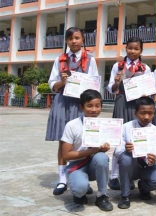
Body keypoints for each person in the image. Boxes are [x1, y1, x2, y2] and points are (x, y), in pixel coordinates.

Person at [46, 27, 99, 196]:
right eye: (70, 38)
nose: (74, 41)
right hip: (63, 102)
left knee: (86, 140)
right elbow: (52, 84)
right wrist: (62, 82)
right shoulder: (60, 60)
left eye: (77, 38)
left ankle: (80, 175)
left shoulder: (90, 59)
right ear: (66, 41)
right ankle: (62, 179)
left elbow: (94, 83)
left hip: (82, 104)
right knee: (64, 141)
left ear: (83, 40)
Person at [107, 37, 152, 191]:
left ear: (141, 50)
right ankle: (114, 176)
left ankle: (130, 175)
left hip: (137, 105)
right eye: (130, 48)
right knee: (118, 138)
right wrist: (116, 82)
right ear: (125, 48)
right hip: (121, 102)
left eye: (136, 49)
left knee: (134, 139)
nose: (133, 51)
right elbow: (110, 89)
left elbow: (151, 89)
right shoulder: (117, 66)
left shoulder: (145, 68)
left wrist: (147, 92)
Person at [60, 90, 113, 211]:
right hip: (77, 165)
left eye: (97, 106)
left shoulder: (106, 125)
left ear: (101, 107)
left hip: (94, 165)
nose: (94, 110)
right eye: (89, 106)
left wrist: (105, 149)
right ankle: (80, 190)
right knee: (79, 190)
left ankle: (102, 196)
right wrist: (93, 150)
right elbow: (66, 155)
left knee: (102, 158)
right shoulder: (72, 125)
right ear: (81, 107)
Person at [115, 97, 156, 209]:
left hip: (148, 167)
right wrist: (125, 148)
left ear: (154, 113)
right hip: (131, 167)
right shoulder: (126, 127)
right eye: (142, 113)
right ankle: (125, 195)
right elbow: (116, 153)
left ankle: (144, 188)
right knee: (125, 157)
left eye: (150, 113)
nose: (146, 117)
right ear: (135, 113)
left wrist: (155, 159)